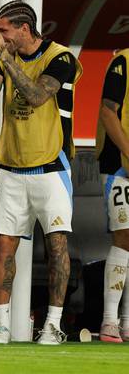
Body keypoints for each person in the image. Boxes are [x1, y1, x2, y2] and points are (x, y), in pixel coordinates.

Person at [0, 0, 82, 345]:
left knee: (57, 246)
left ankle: (52, 324)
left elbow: (37, 95)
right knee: (3, 248)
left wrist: (4, 59)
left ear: (24, 29)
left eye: (3, 31)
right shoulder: (4, 57)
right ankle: (2, 326)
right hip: (11, 168)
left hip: (51, 167)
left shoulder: (60, 57)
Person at [95, 48, 129, 343]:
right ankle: (109, 321)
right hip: (119, 165)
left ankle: (127, 322)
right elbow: (108, 111)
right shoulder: (124, 61)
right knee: (124, 236)